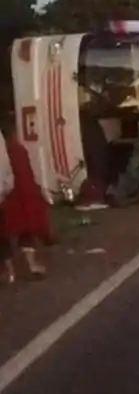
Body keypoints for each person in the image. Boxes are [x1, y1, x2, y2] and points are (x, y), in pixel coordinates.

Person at [0, 115, 49, 283]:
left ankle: (9, 271)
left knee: (3, 235)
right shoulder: (18, 150)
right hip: (18, 195)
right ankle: (31, 264)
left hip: (8, 197)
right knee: (25, 232)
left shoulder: (10, 149)